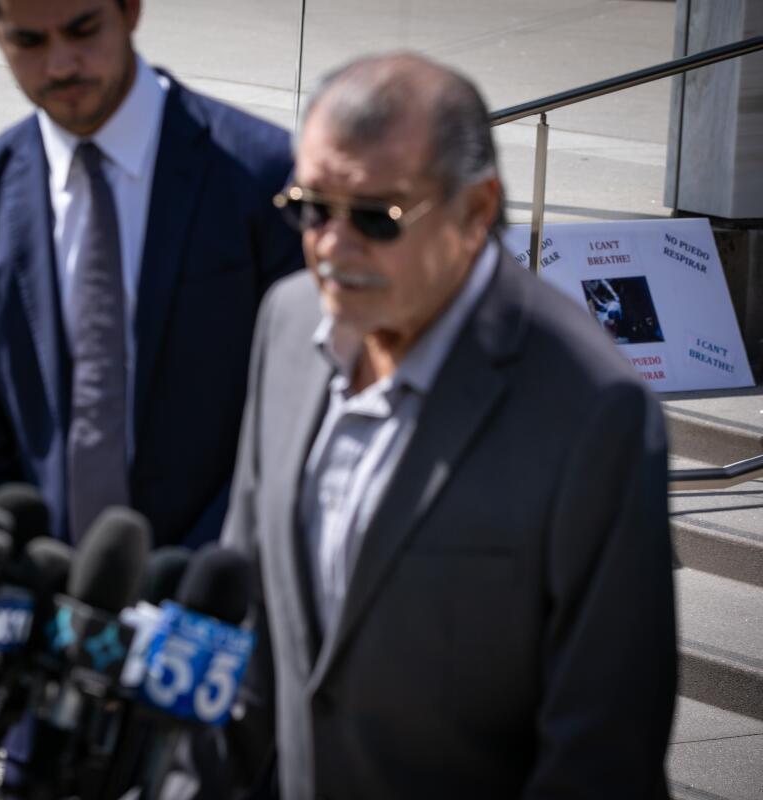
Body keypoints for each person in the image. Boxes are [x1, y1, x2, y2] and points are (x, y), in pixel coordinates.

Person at [221, 53, 676, 799]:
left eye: (376, 216)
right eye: (312, 207)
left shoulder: (595, 410)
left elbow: (602, 750)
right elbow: (243, 624)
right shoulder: (286, 320)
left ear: (474, 213)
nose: (332, 247)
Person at [0, 0, 302, 548]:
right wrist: (25, 573)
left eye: (82, 30)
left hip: (222, 598)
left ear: (130, 11)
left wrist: (195, 582)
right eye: (29, 41)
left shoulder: (263, 174)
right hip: (39, 608)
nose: (60, 65)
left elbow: (295, 414)